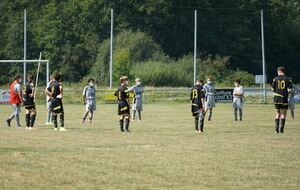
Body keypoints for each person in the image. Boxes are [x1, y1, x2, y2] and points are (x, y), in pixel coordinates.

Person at [272, 66, 293, 133]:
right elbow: (290, 90)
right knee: (283, 114)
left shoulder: (275, 79)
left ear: (279, 71)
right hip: (284, 98)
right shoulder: (288, 79)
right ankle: (281, 130)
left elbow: (272, 89)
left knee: (277, 113)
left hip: (277, 98)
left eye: (278, 72)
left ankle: (276, 130)